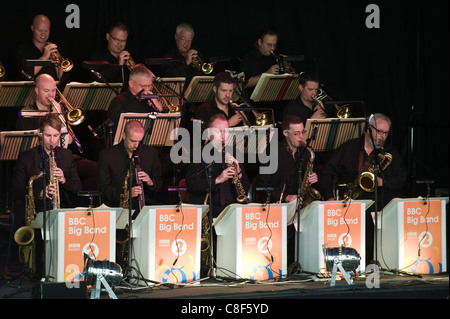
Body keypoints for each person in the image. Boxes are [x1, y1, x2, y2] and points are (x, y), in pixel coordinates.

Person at [318, 113, 407, 263]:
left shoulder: (390, 152)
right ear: (368, 129)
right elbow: (327, 173)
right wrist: (330, 198)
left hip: (379, 205)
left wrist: (382, 182)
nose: (382, 136)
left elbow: (402, 178)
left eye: (386, 133)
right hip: (350, 204)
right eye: (379, 132)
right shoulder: (349, 147)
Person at [11, 113, 82, 228]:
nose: (52, 141)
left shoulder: (67, 155)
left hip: (62, 211)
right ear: (40, 133)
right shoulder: (26, 157)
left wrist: (64, 180)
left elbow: (78, 187)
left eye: (56, 135)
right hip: (37, 211)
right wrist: (40, 193)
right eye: (48, 135)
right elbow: (16, 191)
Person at [185, 113, 250, 219]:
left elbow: (246, 188)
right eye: (218, 131)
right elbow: (192, 185)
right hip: (210, 211)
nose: (223, 135)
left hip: (233, 209)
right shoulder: (196, 154)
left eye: (226, 131)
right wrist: (218, 180)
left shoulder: (234, 152)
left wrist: (239, 174)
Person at [96, 120, 163, 211]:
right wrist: (125, 194)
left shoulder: (151, 153)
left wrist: (151, 182)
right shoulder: (107, 155)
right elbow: (103, 188)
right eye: (132, 141)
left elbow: (160, 183)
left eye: (139, 141)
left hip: (145, 207)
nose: (136, 145)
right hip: (116, 207)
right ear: (124, 136)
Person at [257, 114, 319, 205]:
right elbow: (262, 186)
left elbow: (308, 179)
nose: (301, 136)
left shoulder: (306, 152)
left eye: (303, 132)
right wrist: (285, 196)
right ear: (285, 133)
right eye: (296, 133)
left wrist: (313, 179)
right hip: (277, 205)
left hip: (301, 204)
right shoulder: (271, 152)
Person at [106, 63, 164, 138]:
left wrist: (158, 106)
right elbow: (119, 131)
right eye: (143, 86)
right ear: (131, 84)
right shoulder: (119, 102)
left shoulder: (148, 100)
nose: (147, 89)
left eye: (149, 85)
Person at [15, 14, 67, 82]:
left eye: (46, 31)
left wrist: (57, 64)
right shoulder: (23, 49)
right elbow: (26, 75)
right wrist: (44, 58)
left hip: (52, 91)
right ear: (32, 28)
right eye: (40, 30)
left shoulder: (55, 49)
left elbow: (65, 80)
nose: (43, 34)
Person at [160, 23, 204, 92]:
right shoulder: (168, 57)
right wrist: (186, 63)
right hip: (176, 96)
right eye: (183, 39)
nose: (186, 43)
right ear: (176, 38)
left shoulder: (196, 56)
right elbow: (169, 77)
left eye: (189, 40)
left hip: (195, 95)